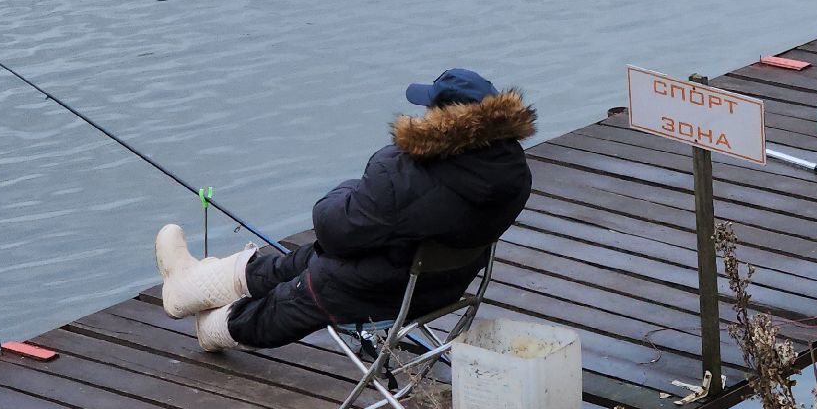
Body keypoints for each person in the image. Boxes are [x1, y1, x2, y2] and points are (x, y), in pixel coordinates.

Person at [152, 69, 536, 351]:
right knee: (304, 260)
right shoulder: (514, 173)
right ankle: (187, 285)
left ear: (444, 118)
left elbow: (332, 227)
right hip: (443, 286)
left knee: (297, 293)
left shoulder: (402, 172)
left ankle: (213, 327)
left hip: (373, 291)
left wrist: (348, 188)